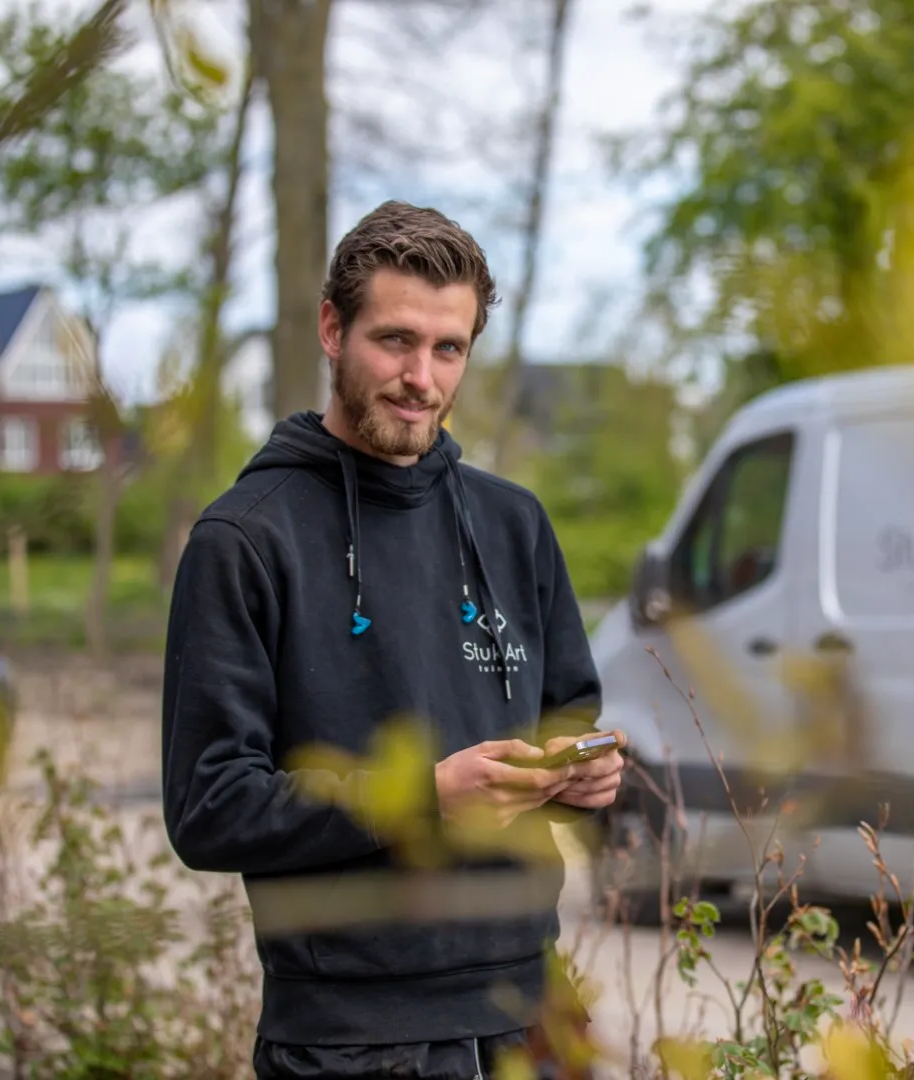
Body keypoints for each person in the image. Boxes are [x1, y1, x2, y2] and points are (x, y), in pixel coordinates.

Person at [160, 199, 625, 1079]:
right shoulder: (246, 541)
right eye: (395, 341)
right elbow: (209, 807)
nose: (422, 377)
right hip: (353, 1038)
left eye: (448, 348)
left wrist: (580, 770)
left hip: (532, 1011)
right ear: (334, 329)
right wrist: (421, 796)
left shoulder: (512, 522)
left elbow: (567, 711)